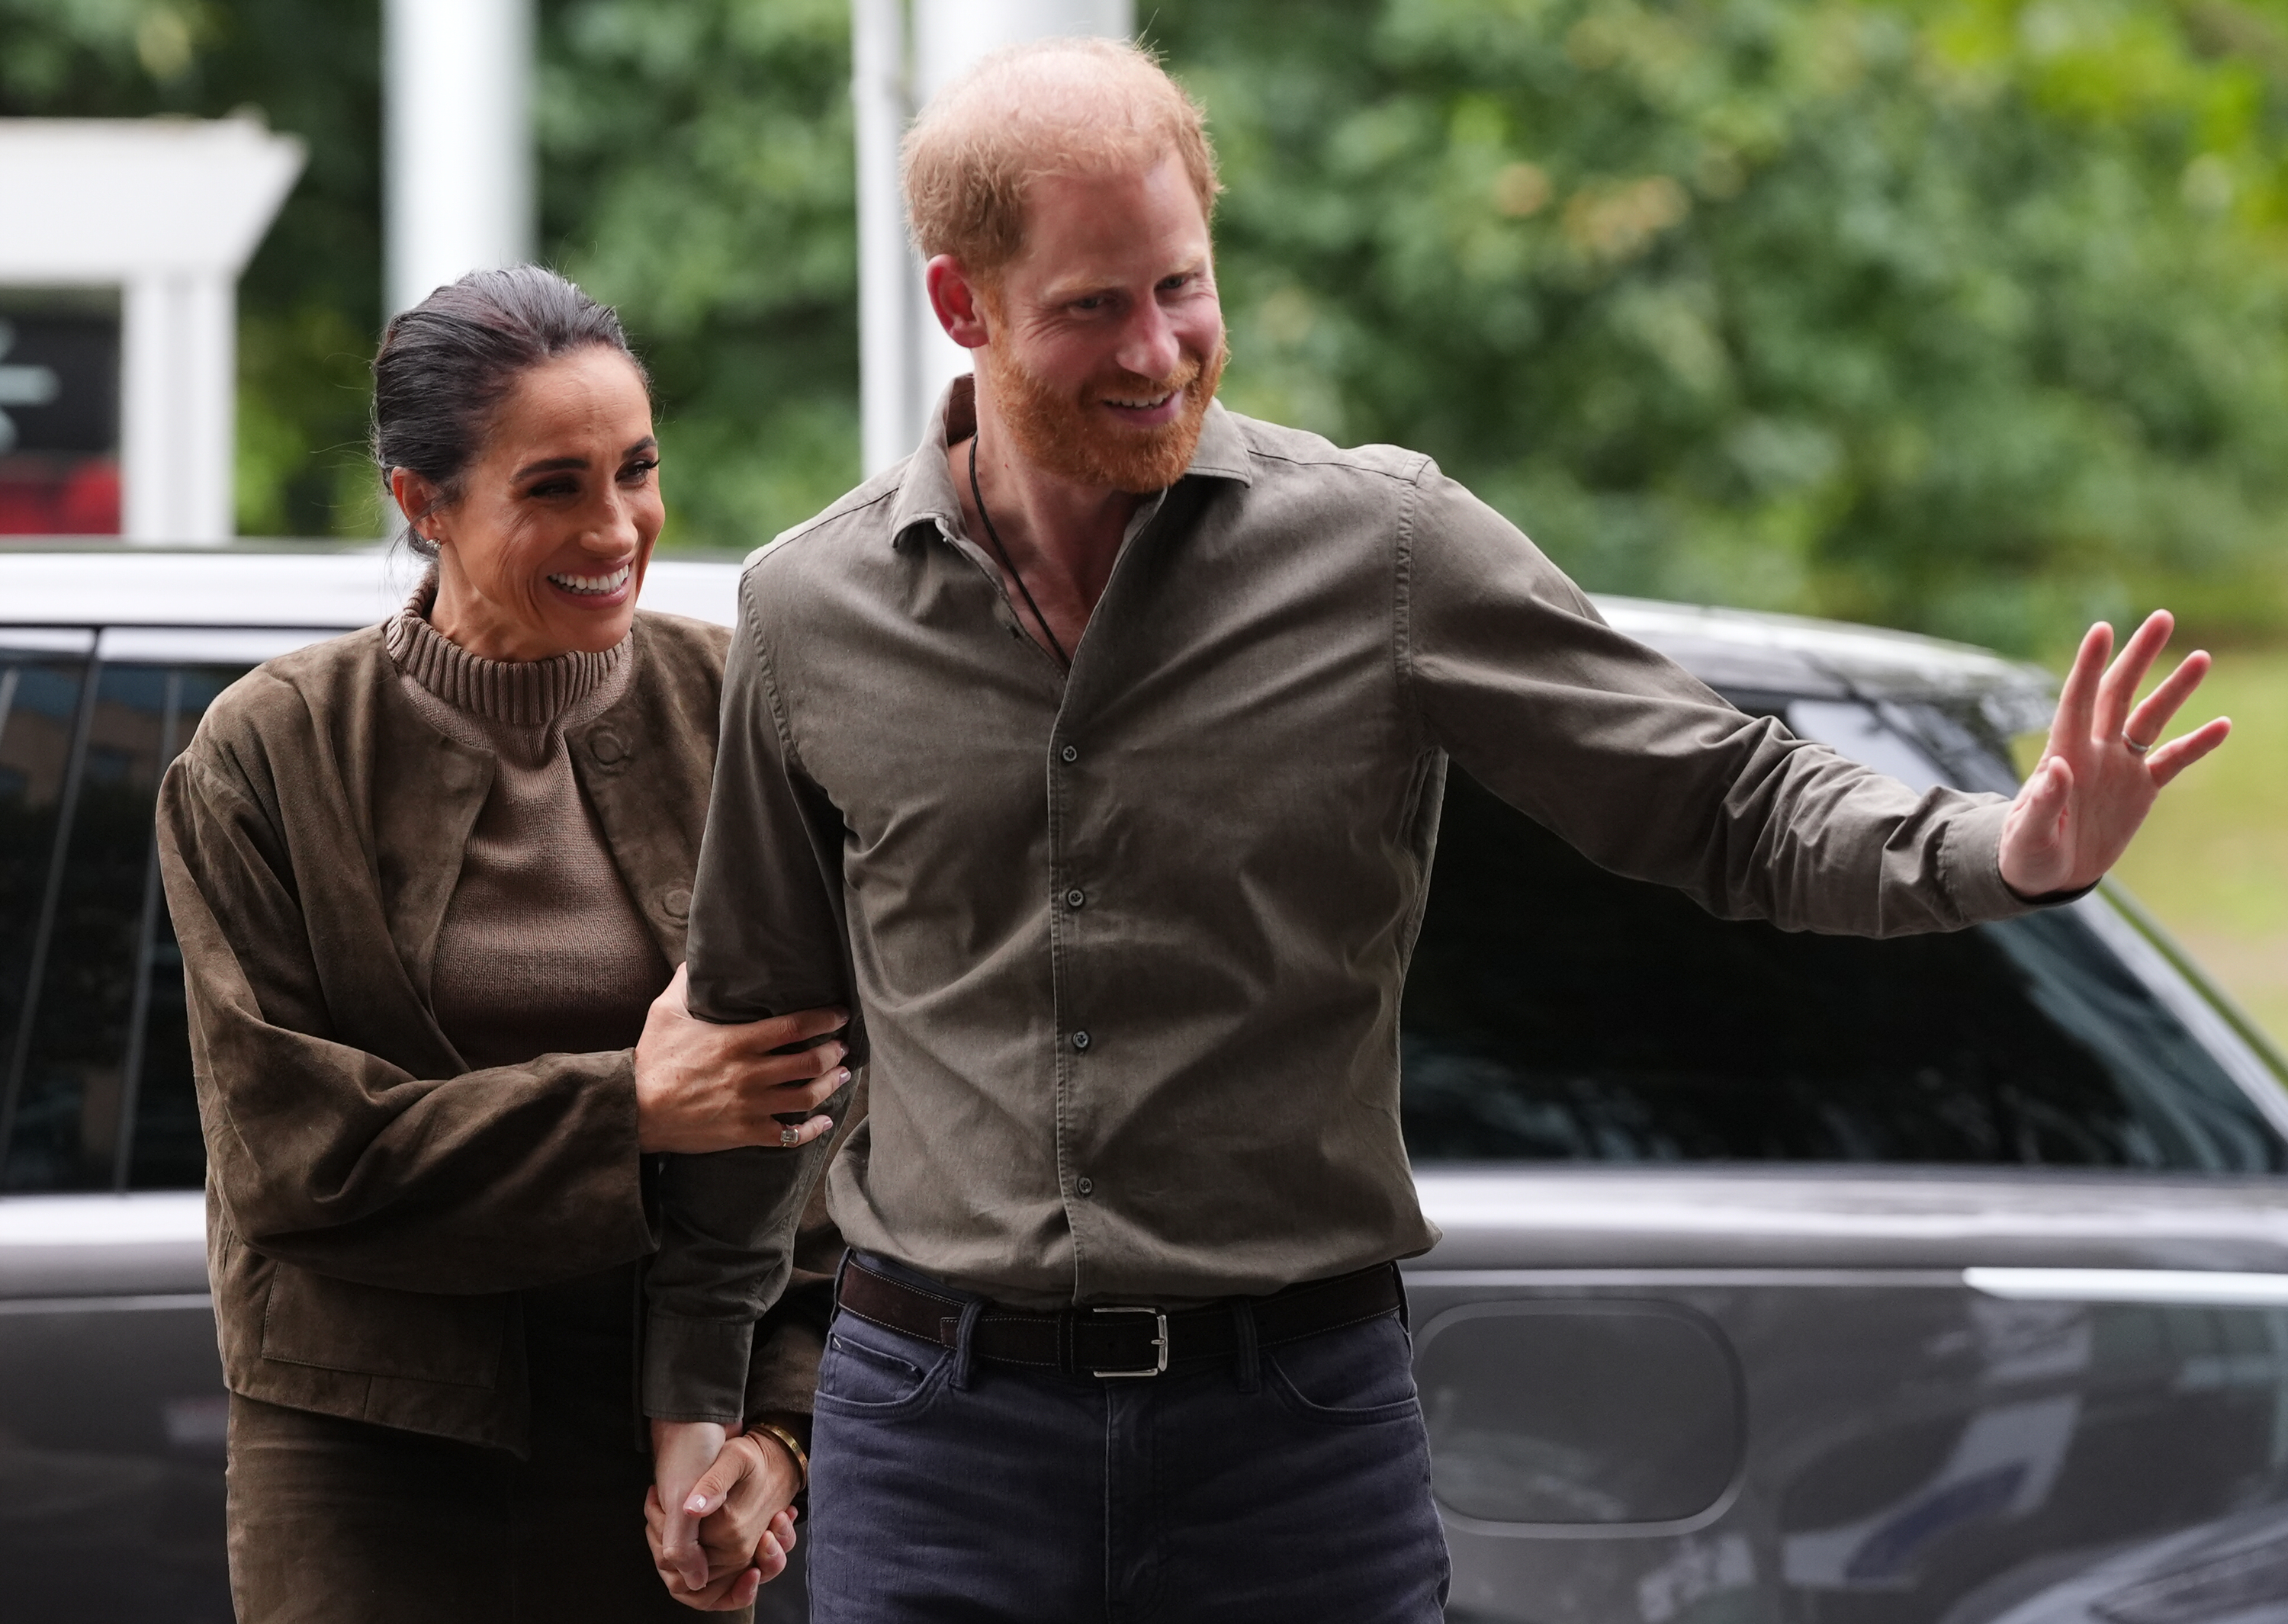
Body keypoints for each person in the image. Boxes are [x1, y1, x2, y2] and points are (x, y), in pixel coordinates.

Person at [654, 38, 2233, 1622]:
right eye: (1092, 307)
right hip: (941, 1436)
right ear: (961, 306)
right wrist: (702, 1398)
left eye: (1183, 287)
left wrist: (2007, 848)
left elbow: (1718, 792)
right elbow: (760, 1040)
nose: (1159, 350)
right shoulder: (813, 611)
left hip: (1288, 1436)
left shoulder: (1384, 553)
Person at [156, 266, 849, 1622]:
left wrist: (777, 1433)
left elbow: (844, 1119)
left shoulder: (747, 710)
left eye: (637, 470)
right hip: (365, 1444)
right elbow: (299, 1157)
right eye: (553, 486)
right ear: (425, 502)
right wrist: (633, 1108)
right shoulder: (270, 753)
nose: (618, 525)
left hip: (678, 1444)